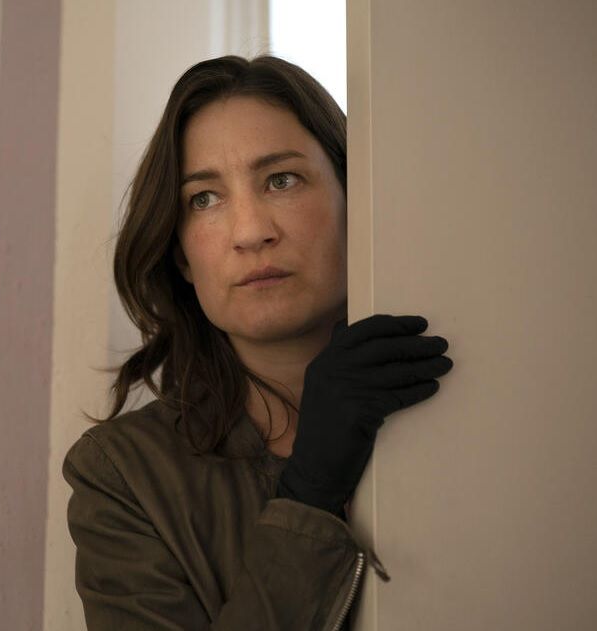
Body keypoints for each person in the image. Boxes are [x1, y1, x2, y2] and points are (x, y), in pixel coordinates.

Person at [62, 55, 453, 630]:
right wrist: (312, 491)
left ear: (357, 199)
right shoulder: (123, 476)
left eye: (281, 180)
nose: (250, 232)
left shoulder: (461, 396)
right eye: (204, 198)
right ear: (181, 255)